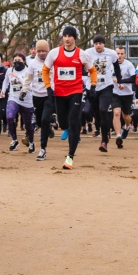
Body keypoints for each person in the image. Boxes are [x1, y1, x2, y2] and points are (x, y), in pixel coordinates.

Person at [40, 26, 94, 168]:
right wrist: (48, 87)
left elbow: (92, 71)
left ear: (74, 38)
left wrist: (92, 86)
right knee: (64, 124)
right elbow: (45, 71)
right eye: (65, 36)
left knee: (74, 122)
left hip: (75, 92)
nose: (67, 38)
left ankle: (70, 157)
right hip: (59, 92)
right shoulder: (54, 53)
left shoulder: (82, 54)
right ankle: (61, 123)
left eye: (70, 36)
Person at [84, 35, 122, 153]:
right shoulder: (87, 53)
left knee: (103, 110)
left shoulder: (111, 54)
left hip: (106, 86)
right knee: (97, 114)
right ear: (93, 44)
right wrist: (86, 75)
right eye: (96, 43)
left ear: (104, 44)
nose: (98, 46)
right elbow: (80, 67)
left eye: (100, 43)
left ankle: (104, 141)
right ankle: (104, 131)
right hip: (92, 87)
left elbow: (116, 67)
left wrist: (119, 79)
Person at [2, 53, 35, 152]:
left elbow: (30, 86)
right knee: (9, 116)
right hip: (13, 98)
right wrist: (3, 90)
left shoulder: (29, 71)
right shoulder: (9, 70)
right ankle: (14, 140)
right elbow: (5, 81)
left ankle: (31, 142)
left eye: (19, 60)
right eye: (15, 60)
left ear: (24, 61)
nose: (16, 62)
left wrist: (18, 77)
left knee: (28, 124)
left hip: (27, 100)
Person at [112, 46, 135, 147]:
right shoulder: (110, 64)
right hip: (114, 93)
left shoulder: (129, 65)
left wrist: (122, 82)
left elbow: (134, 79)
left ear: (125, 55)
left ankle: (126, 126)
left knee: (126, 116)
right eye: (117, 53)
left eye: (121, 54)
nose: (119, 56)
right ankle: (118, 136)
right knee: (116, 113)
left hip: (127, 94)